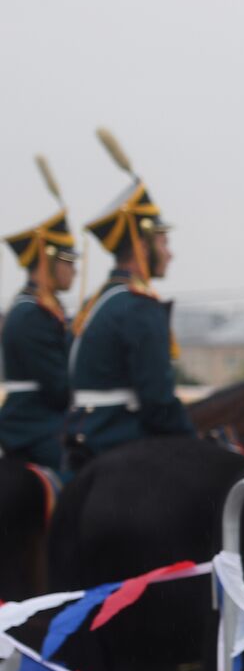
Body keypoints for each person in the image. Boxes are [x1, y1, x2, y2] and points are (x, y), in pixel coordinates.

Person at [66, 129, 193, 471]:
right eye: (163, 243)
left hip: (85, 433)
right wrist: (191, 438)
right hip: (119, 436)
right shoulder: (138, 306)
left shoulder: (102, 300)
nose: (170, 254)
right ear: (142, 245)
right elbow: (157, 401)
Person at [1, 159, 77, 470]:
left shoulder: (42, 310)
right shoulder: (30, 315)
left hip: (45, 421)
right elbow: (58, 392)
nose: (75, 270)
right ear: (48, 261)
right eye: (69, 261)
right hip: (31, 426)